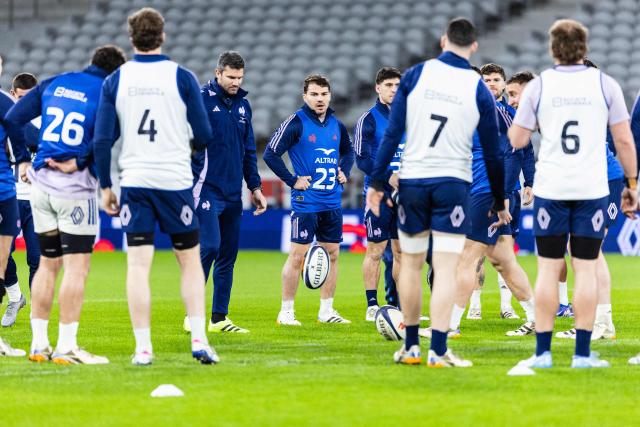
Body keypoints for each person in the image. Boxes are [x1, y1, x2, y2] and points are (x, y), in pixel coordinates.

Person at [367, 18, 508, 367]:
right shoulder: (477, 87)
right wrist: (500, 198)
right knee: (445, 268)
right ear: (473, 46)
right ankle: (439, 350)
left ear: (444, 41)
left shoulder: (415, 75)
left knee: (411, 265)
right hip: (452, 183)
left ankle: (411, 347)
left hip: (413, 180)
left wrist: (375, 182)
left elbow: (392, 132)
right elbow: (493, 150)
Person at [92, 7, 218, 365]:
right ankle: (198, 340)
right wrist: (187, 150)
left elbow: (102, 141)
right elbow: (205, 134)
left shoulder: (115, 80)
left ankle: (143, 349)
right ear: (162, 36)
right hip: (174, 181)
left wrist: (105, 187)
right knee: (190, 263)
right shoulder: (182, 77)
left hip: (135, 181)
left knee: (138, 266)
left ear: (131, 39)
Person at [510, 19, 637, 369]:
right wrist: (632, 184)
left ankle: (543, 353)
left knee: (549, 270)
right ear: (585, 48)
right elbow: (624, 140)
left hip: (551, 188)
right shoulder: (605, 84)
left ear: (553, 49)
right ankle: (582, 354)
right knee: (585, 269)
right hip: (592, 188)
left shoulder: (539, 86)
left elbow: (518, 140)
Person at [5, 45, 126, 364]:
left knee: (47, 264)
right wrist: (95, 174)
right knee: (77, 268)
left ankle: (39, 344)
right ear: (115, 72)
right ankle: (67, 345)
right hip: (74, 191)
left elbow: (13, 118)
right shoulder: (106, 92)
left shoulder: (56, 82)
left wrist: (23, 159)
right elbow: (103, 140)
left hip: (40, 187)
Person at [449, 62, 536, 338]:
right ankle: (536, 318)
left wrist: (502, 198)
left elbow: (511, 154)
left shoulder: (492, 113)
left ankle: (448, 325)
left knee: (466, 258)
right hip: (483, 191)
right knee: (503, 262)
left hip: (487, 194)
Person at [264, 74, 355, 325]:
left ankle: (326, 311)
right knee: (297, 256)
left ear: (330, 96)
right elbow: (270, 153)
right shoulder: (296, 122)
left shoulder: (337, 124)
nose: (319, 99)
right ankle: (286, 312)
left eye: (324, 94)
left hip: (332, 202)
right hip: (306, 202)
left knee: (333, 254)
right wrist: (292, 180)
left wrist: (344, 170)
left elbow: (348, 152)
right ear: (305, 96)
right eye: (314, 94)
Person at [188, 51, 266, 334]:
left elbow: (248, 151)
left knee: (227, 256)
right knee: (209, 246)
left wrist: (254, 186)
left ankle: (219, 318)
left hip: (234, 193)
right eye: (231, 77)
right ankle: (192, 313)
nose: (235, 82)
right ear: (218, 73)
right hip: (205, 188)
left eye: (240, 77)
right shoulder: (200, 100)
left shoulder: (244, 106)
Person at [555, 58, 627, 340]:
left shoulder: (591, 102)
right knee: (584, 250)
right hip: (596, 177)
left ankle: (599, 322)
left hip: (603, 178)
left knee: (588, 252)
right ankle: (602, 321)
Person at [353, 67, 404, 321]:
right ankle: (372, 305)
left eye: (397, 85)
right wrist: (388, 176)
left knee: (401, 253)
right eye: (389, 85)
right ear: (378, 88)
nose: (394, 90)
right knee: (375, 250)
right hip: (378, 195)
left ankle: (403, 307)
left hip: (405, 196)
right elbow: (361, 159)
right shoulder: (369, 119)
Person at [1, 72, 40, 328]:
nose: (26, 102)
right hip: (12, 196)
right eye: (22, 97)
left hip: (37, 200)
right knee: (4, 255)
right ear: (14, 94)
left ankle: (38, 315)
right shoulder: (7, 116)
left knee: (37, 259)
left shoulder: (44, 120)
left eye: (31, 98)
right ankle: (16, 297)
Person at [0, 118, 26, 356]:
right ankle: (16, 297)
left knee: (5, 257)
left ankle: (19, 300)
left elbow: (25, 137)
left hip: (11, 194)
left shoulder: (7, 107)